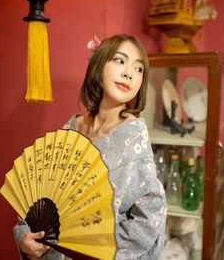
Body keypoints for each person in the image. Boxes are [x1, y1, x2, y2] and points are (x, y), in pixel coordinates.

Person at [13, 34, 167, 260]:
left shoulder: (134, 138)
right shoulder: (72, 127)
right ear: (98, 65)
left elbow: (150, 217)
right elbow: (39, 190)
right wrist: (24, 236)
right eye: (120, 60)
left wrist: (99, 248)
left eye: (139, 69)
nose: (129, 73)